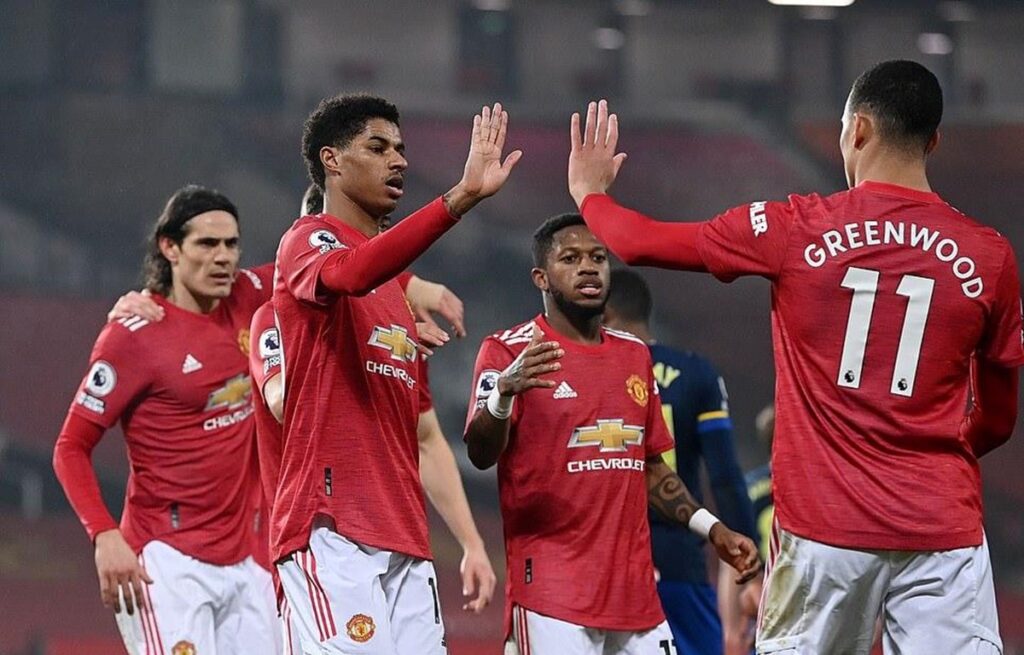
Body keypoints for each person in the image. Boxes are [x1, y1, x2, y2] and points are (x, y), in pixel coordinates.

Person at [567, 60, 1023, 654]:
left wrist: (589, 193)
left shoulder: (796, 228)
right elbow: (998, 419)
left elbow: (637, 241)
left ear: (857, 129)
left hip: (822, 531)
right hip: (943, 530)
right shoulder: (989, 256)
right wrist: (926, 460)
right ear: (933, 141)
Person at [272, 94, 520, 654]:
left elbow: (425, 436)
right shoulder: (309, 240)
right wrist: (460, 198)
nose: (399, 160)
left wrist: (469, 541)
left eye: (401, 150)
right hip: (332, 528)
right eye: (378, 147)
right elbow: (352, 273)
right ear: (332, 160)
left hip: (404, 532)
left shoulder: (396, 297)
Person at [463, 213, 759, 655]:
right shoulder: (508, 351)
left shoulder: (634, 356)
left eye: (597, 257)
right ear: (541, 278)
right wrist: (503, 393)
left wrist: (713, 530)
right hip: (553, 597)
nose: (588, 267)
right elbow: (481, 452)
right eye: (570, 258)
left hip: (637, 597)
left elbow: (651, 469)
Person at [53, 185, 279, 654]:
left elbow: (328, 267)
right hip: (167, 561)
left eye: (231, 244)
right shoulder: (133, 336)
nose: (223, 257)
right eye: (207, 244)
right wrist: (104, 535)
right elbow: (70, 447)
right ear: (170, 247)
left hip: (246, 557)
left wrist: (416, 292)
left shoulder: (248, 296)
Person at [603, 268, 757, 655]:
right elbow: (724, 476)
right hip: (678, 556)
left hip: (607, 557)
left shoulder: (593, 374)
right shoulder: (695, 374)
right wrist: (749, 561)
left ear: (605, 314)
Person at [718, 404, 775, 655]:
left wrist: (730, 631)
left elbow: (731, 559)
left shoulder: (748, 487)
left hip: (758, 592)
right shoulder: (811, 486)